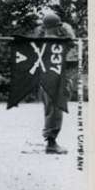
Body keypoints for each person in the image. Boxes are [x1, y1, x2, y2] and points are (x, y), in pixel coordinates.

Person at [36, 12, 75, 154]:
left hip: (44, 79)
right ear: (58, 27)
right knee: (55, 111)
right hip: (56, 80)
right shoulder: (62, 42)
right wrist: (66, 28)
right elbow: (72, 41)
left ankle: (50, 140)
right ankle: (51, 144)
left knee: (50, 110)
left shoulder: (40, 42)